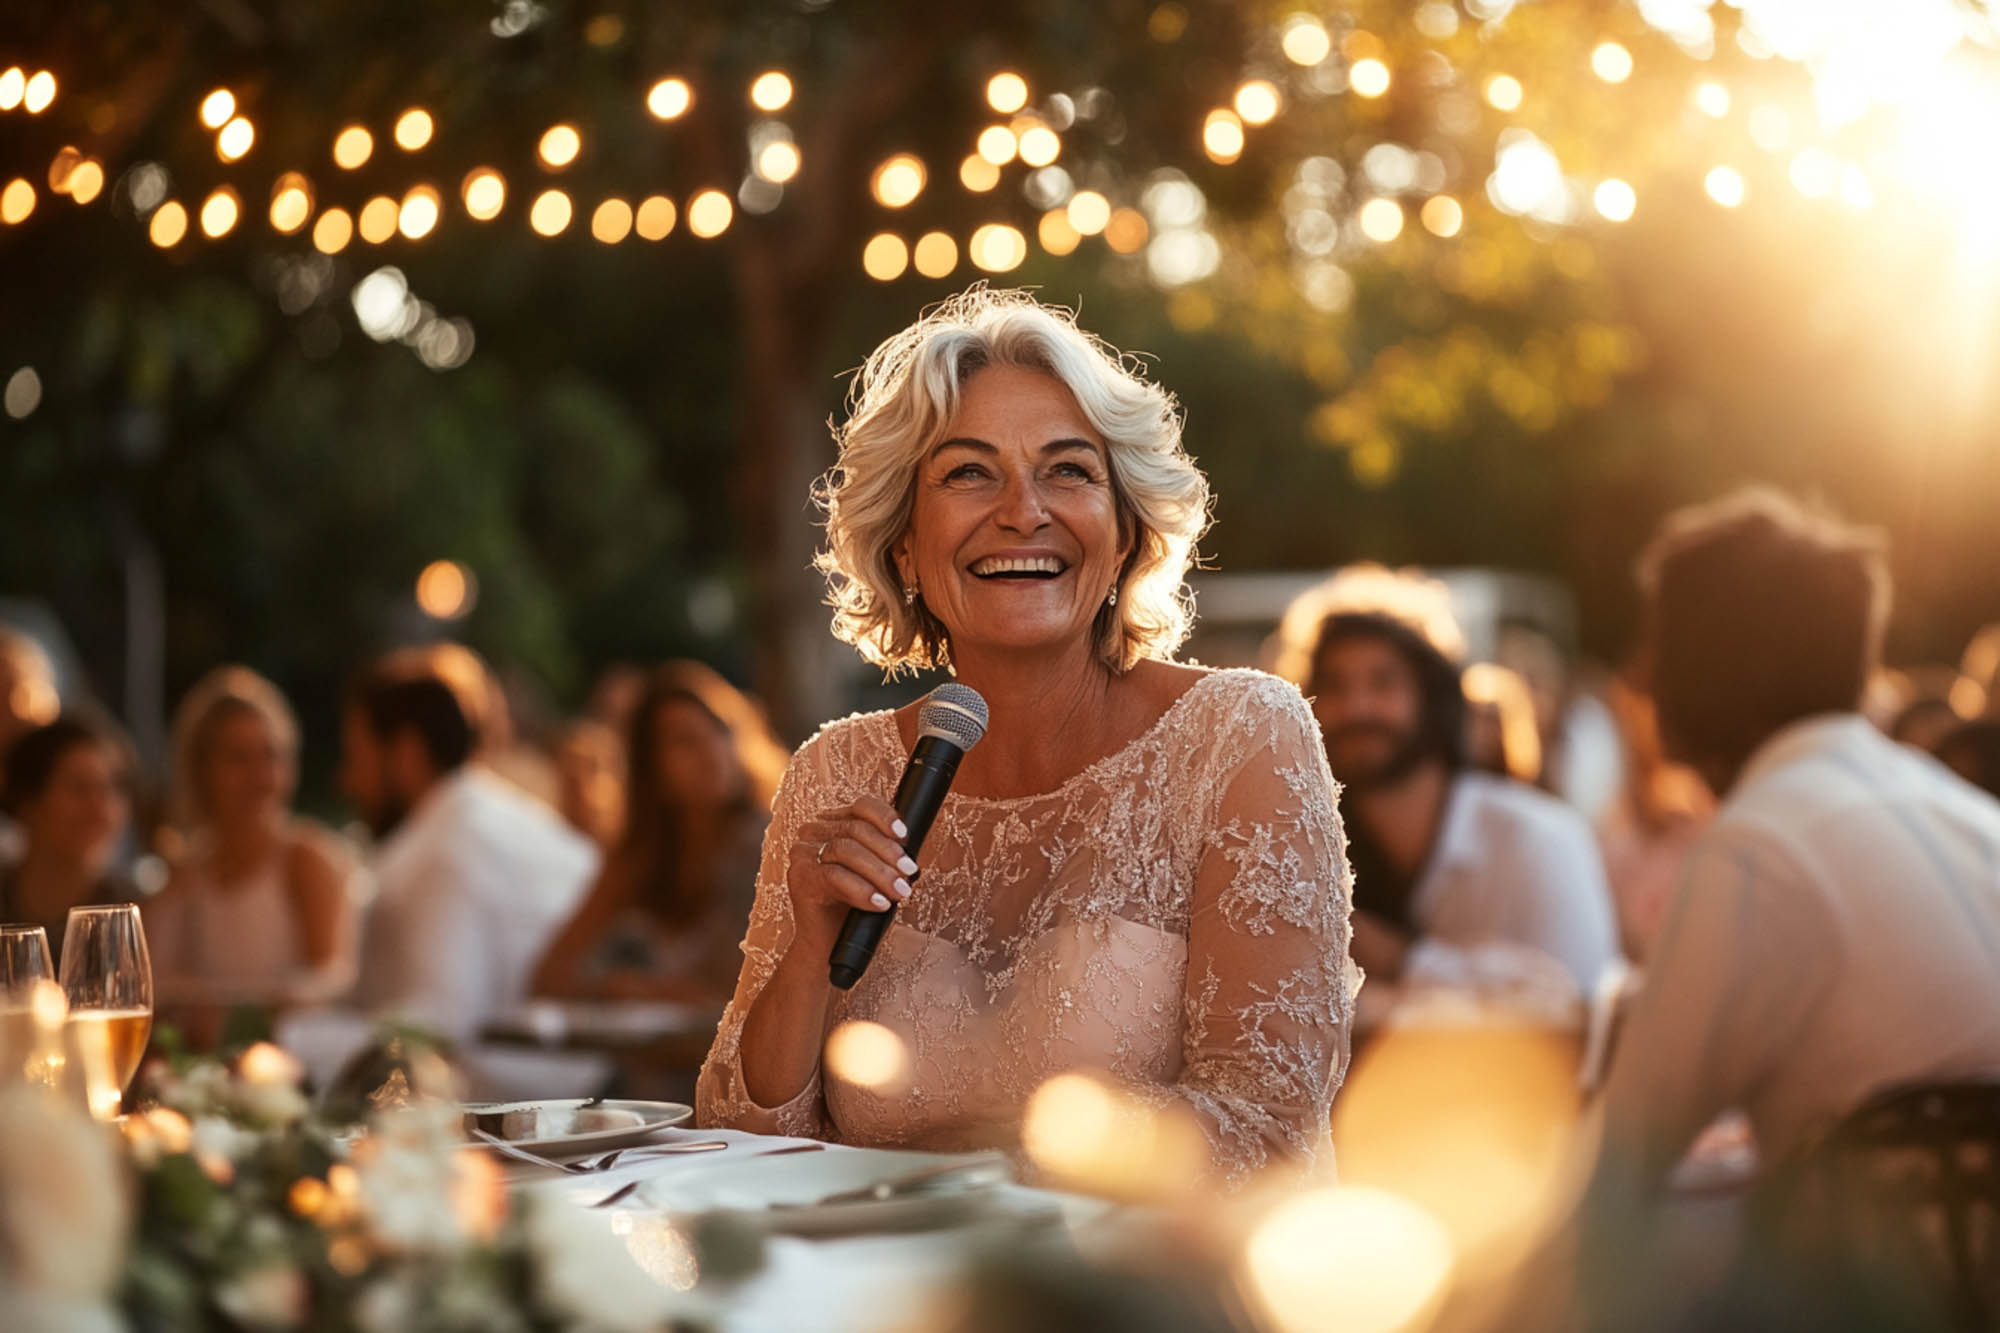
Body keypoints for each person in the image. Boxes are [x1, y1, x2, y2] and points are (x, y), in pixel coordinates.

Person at [696, 289, 1354, 1185]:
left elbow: (1263, 1127)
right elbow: (736, 1135)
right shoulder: (837, 771)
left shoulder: (1240, 736)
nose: (1022, 510)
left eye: (1069, 471)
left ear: (1124, 534)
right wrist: (811, 948)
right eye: (969, 472)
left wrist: (961, 1167)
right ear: (904, 548)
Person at [1583, 488, 2000, 1250]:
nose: (1640, 677)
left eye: (1660, 643)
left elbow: (1616, 1169)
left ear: (1709, 665)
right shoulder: (1965, 810)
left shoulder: (1761, 844)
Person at [1270, 566, 1620, 1008]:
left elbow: (1578, 1004)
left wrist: (1401, 960)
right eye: (1335, 686)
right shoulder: (1301, 849)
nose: (1357, 707)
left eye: (1383, 682)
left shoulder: (1540, 838)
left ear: (1433, 699)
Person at [534, 662, 783, 1004]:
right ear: (650, 768)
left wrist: (648, 991)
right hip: (643, 1053)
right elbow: (550, 975)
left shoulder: (769, 844)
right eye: (684, 742)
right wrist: (609, 987)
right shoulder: (641, 854)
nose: (712, 751)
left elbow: (752, 996)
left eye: (720, 730)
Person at [142, 668, 361, 1038]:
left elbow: (333, 981)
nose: (261, 777)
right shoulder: (185, 872)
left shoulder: (304, 858)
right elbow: (150, 986)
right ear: (201, 770)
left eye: (272, 756)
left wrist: (237, 1012)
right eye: (239, 759)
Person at [0, 716, 135, 960]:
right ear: (28, 802)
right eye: (79, 788)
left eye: (110, 789)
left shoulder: (132, 911)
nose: (100, 810)